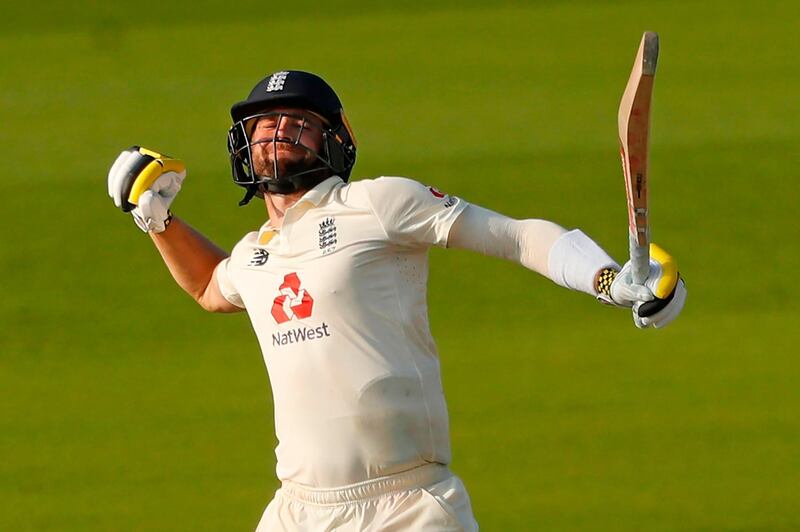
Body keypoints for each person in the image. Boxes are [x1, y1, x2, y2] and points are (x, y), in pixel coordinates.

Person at [107, 70, 686, 531]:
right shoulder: (255, 255)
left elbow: (513, 235)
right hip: (297, 511)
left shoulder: (377, 203)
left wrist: (607, 279)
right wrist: (155, 218)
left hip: (407, 507)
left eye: (295, 122)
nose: (276, 132)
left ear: (336, 138)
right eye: (262, 125)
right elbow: (211, 289)